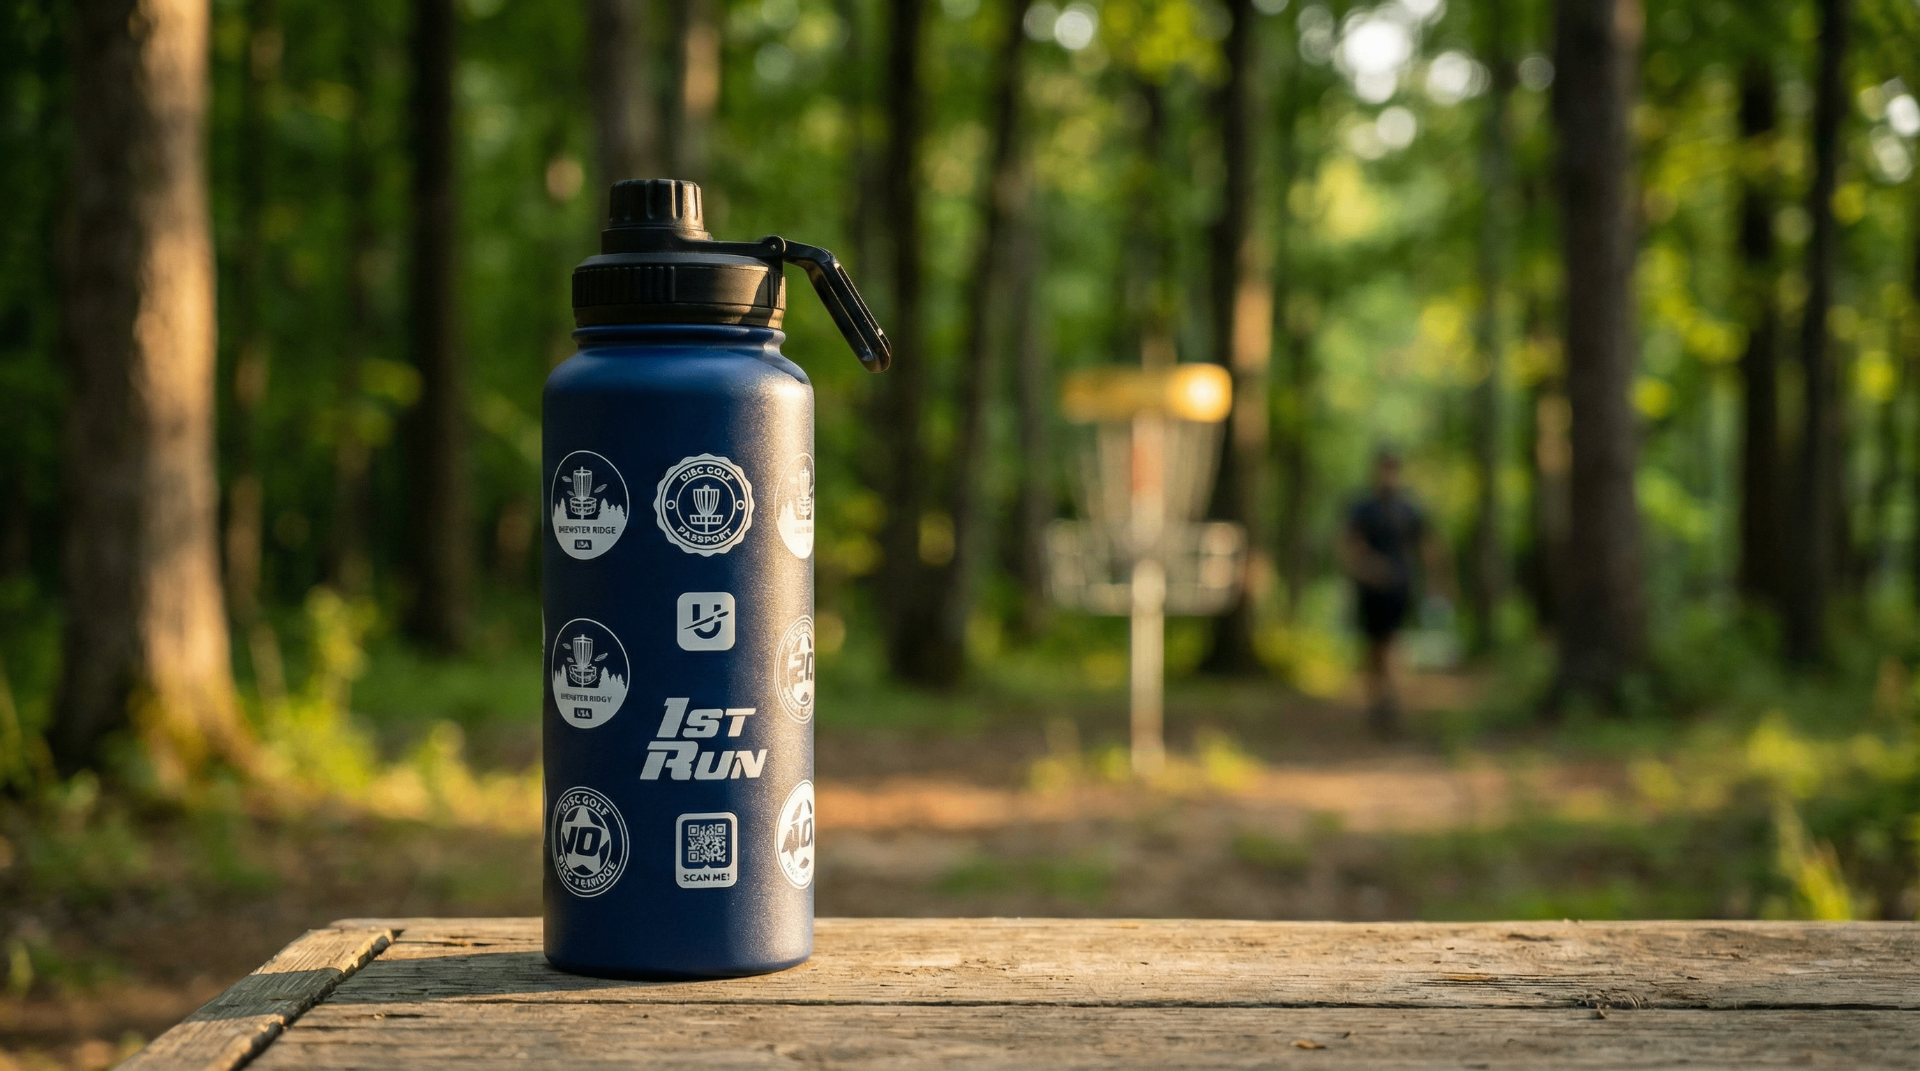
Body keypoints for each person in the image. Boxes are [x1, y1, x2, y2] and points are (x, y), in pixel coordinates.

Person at [1338, 448, 1446, 737]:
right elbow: (1350, 546)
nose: (1388, 473)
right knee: (1373, 647)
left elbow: (1427, 546)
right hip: (1370, 590)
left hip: (1400, 588)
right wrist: (1370, 569)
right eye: (1384, 467)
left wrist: (1436, 584)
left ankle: (1392, 703)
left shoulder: (1408, 509)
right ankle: (1378, 701)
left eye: (1392, 467)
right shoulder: (1363, 508)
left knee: (1392, 643)